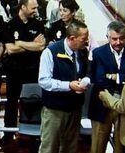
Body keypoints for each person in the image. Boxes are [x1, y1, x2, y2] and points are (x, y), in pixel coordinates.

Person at [38, 20, 89, 153]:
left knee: (70, 148)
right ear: (72, 38)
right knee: (49, 148)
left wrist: (84, 80)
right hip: (55, 111)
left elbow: (85, 71)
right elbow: (44, 81)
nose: (87, 41)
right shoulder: (50, 52)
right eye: (84, 39)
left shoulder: (82, 52)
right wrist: (69, 86)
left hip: (75, 109)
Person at [2, 0, 46, 143]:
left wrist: (20, 43)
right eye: (33, 8)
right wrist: (31, 45)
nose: (36, 10)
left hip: (32, 70)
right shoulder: (10, 24)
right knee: (11, 102)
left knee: (32, 101)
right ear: (23, 7)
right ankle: (9, 134)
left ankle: (31, 134)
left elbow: (41, 47)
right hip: (13, 70)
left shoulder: (38, 24)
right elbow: (10, 49)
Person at [88, 21, 125, 153]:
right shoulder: (97, 53)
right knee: (97, 146)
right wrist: (123, 78)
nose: (118, 42)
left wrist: (116, 77)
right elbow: (98, 78)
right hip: (101, 104)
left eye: (122, 38)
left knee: (122, 146)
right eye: (114, 39)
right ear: (107, 37)